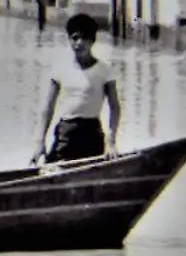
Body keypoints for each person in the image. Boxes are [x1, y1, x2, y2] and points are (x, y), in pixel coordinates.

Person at [31, 13, 121, 164]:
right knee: (53, 169)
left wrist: (111, 141)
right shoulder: (60, 69)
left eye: (84, 38)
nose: (79, 43)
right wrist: (40, 142)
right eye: (75, 38)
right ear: (69, 40)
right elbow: (47, 108)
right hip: (66, 133)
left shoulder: (105, 71)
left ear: (92, 41)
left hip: (92, 132)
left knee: (92, 169)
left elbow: (115, 107)